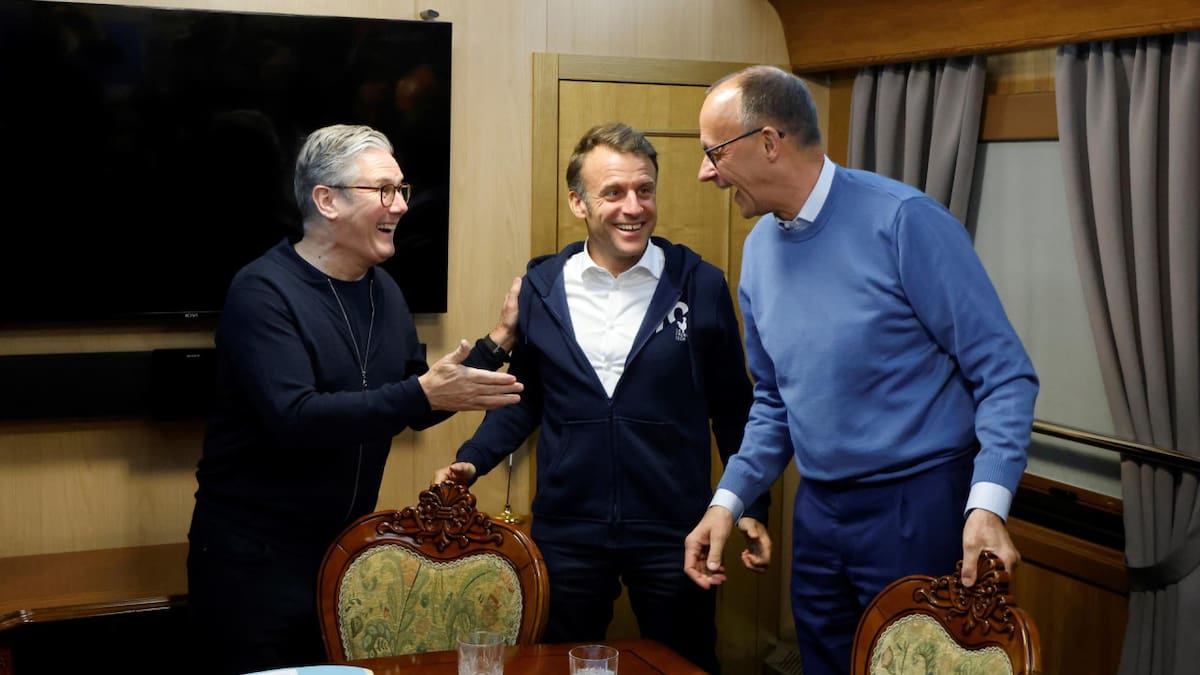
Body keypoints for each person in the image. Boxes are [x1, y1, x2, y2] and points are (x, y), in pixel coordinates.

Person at [682, 66, 1039, 675]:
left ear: (768, 142)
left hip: (917, 504)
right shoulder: (759, 249)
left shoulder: (904, 221)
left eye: (715, 152)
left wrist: (986, 506)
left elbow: (1005, 374)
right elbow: (774, 400)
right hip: (819, 512)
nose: (705, 171)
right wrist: (727, 501)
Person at [187, 123, 525, 675]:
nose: (402, 205)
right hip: (251, 564)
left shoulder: (384, 291)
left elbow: (416, 401)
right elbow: (295, 418)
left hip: (343, 557)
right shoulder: (262, 292)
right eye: (384, 190)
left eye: (401, 190)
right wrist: (421, 392)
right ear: (327, 200)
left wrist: (499, 341)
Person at [433, 122, 769, 674]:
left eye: (644, 190)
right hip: (568, 531)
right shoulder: (542, 287)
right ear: (578, 203)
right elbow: (528, 399)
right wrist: (472, 460)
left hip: (675, 530)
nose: (633, 207)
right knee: (556, 664)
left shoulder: (700, 284)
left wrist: (752, 504)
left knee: (684, 663)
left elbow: (734, 407)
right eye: (613, 192)